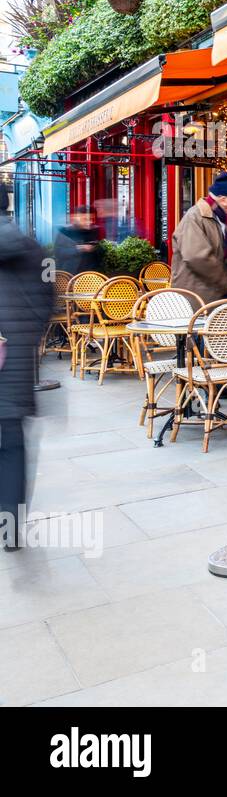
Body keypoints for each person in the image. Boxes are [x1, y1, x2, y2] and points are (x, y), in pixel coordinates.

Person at [0, 181, 55, 551]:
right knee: (12, 444)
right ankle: (10, 527)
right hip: (13, 360)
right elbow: (48, 295)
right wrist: (26, 338)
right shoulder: (32, 248)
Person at [170, 171, 227, 304]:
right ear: (223, 199)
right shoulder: (194, 218)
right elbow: (196, 257)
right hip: (200, 297)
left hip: (226, 292)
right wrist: (226, 280)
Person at [53, 206, 101, 276]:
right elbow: (58, 253)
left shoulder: (94, 231)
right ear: (76, 218)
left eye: (91, 219)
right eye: (85, 219)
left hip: (90, 277)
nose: (89, 222)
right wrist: (80, 248)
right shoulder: (65, 232)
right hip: (70, 275)